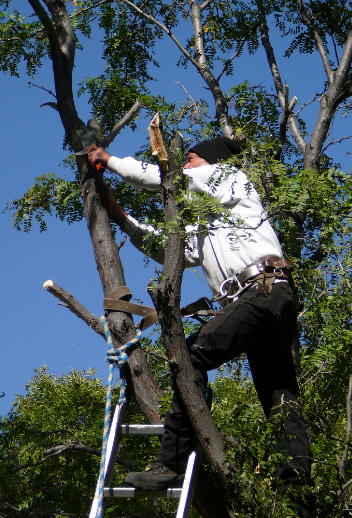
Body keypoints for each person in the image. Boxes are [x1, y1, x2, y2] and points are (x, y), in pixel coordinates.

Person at [88, 137, 312, 509]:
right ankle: (299, 498)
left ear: (210, 162)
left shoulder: (229, 175)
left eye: (190, 159)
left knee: (189, 356)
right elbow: (167, 247)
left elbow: (165, 177)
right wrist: (122, 218)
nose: (185, 166)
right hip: (264, 299)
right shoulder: (215, 222)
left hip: (264, 290)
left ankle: (171, 463)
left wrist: (108, 159)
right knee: (280, 397)